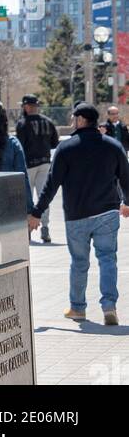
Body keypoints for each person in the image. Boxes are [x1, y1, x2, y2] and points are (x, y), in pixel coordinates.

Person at [29, 103, 129, 325]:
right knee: (107, 258)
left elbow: (51, 185)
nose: (73, 120)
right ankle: (109, 305)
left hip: (77, 215)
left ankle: (77, 308)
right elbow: (126, 177)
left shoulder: (67, 149)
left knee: (79, 262)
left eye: (75, 117)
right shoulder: (113, 146)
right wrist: (127, 202)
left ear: (82, 120)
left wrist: (37, 212)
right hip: (107, 212)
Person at [15, 93, 60, 243]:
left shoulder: (22, 124)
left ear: (26, 107)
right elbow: (55, 142)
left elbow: (19, 146)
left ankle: (27, 229)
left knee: (27, 197)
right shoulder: (48, 122)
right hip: (45, 162)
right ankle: (45, 228)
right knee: (43, 197)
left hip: (28, 164)